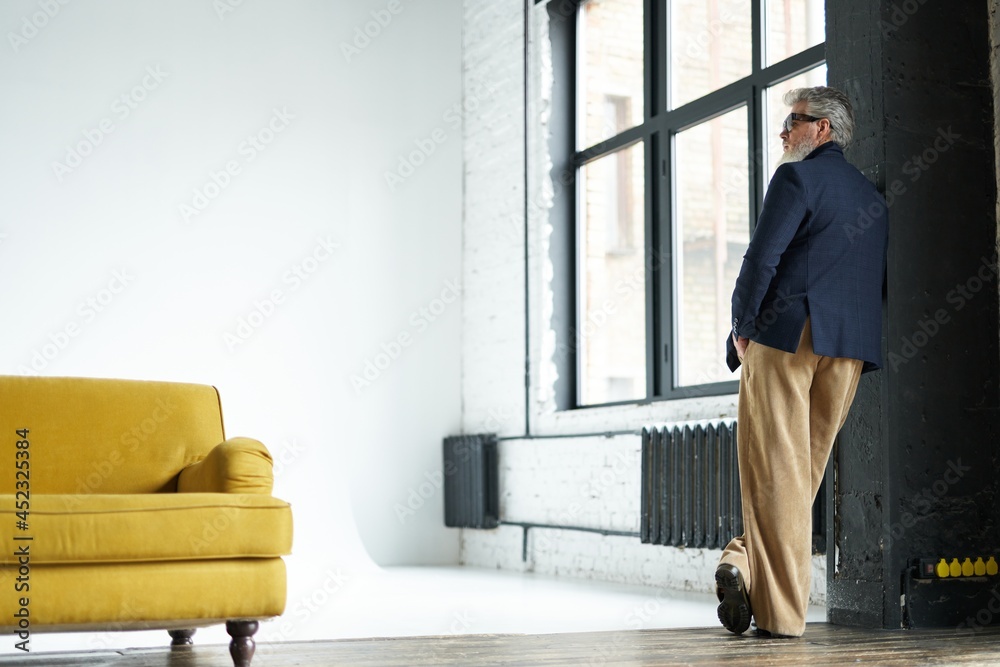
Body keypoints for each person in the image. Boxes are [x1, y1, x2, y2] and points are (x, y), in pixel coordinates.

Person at [715, 86, 888, 639]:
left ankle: (782, 619)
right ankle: (742, 561)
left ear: (823, 130)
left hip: (788, 338)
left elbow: (761, 258)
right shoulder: (872, 198)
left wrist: (741, 328)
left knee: (773, 474)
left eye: (794, 121)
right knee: (800, 475)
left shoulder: (796, 178)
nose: (783, 131)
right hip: (849, 347)